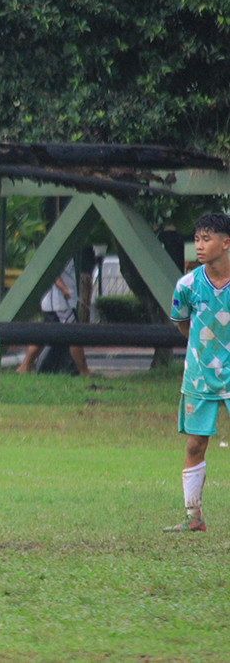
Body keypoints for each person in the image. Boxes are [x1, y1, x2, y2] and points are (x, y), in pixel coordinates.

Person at [164, 212, 230, 533]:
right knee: (194, 445)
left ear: (226, 243)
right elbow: (182, 323)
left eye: (207, 239)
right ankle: (194, 517)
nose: (199, 246)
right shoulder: (186, 285)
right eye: (197, 240)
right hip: (199, 375)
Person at [15, 258, 91, 376]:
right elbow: (53, 273)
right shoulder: (62, 253)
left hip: (56, 304)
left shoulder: (69, 254)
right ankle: (84, 371)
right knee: (74, 336)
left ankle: (24, 366)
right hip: (60, 304)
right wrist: (64, 289)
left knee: (42, 336)